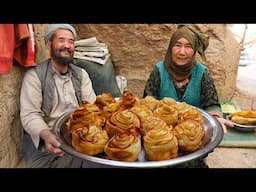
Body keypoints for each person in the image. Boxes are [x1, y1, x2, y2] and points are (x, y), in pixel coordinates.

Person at [143, 24, 233, 168]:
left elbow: (212, 104)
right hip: (160, 146)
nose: (182, 52)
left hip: (192, 144)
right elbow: (147, 104)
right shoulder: (159, 71)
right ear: (170, 47)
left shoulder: (202, 74)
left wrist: (215, 119)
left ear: (195, 50)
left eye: (188, 46)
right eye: (178, 45)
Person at [20, 24, 106, 168]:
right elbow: (30, 115)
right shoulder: (34, 76)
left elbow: (92, 108)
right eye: (61, 40)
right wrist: (47, 135)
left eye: (71, 41)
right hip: (46, 141)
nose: (67, 45)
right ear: (49, 44)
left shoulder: (81, 75)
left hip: (77, 137)